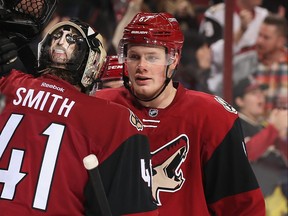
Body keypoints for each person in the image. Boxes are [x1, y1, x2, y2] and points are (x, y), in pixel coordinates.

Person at [95, 12, 266, 215]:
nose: (142, 66)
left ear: (174, 59)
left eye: (152, 57)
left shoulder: (211, 116)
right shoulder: (101, 106)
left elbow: (241, 205)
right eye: (134, 56)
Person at [0, 19, 158, 215]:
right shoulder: (113, 119)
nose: (61, 42)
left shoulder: (10, 84)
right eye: (57, 37)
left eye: (71, 39)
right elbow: (135, 210)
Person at [233, 76, 288, 215]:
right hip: (257, 201)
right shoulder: (234, 124)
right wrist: (274, 128)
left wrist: (281, 135)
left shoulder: (263, 126)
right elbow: (246, 153)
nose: (260, 97)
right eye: (253, 93)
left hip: (278, 195)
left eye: (261, 93)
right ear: (240, 101)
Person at [199, 0, 269, 96]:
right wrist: (241, 30)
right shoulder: (216, 14)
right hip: (222, 84)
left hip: (256, 82)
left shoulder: (264, 15)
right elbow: (212, 57)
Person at [254, 14, 288, 117]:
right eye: (259, 35)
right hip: (252, 130)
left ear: (280, 41)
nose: (259, 41)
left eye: (266, 38)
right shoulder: (246, 63)